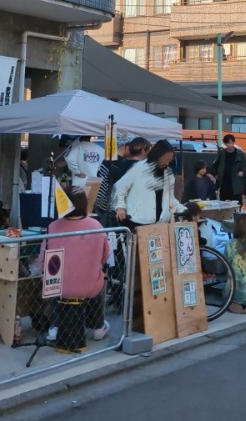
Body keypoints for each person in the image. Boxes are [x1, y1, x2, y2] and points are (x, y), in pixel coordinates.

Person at [39, 189, 111, 344]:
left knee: (54, 281)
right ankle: (98, 327)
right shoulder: (96, 226)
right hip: (90, 285)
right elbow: (106, 255)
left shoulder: (53, 227)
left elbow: (42, 259)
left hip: (59, 287)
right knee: (99, 280)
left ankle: (55, 327)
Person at [112, 139, 184, 226]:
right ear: (158, 156)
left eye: (169, 160)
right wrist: (120, 207)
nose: (167, 163)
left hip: (160, 224)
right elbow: (119, 188)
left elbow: (170, 198)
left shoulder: (168, 174)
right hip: (137, 222)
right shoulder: (138, 168)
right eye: (166, 159)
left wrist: (183, 210)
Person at [211, 134, 246, 202]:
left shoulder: (240, 154)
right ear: (225, 144)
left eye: (232, 143)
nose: (230, 145)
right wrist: (215, 174)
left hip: (236, 184)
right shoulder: (222, 153)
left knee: (237, 203)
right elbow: (215, 165)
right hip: (224, 183)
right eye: (228, 143)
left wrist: (243, 172)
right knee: (223, 203)